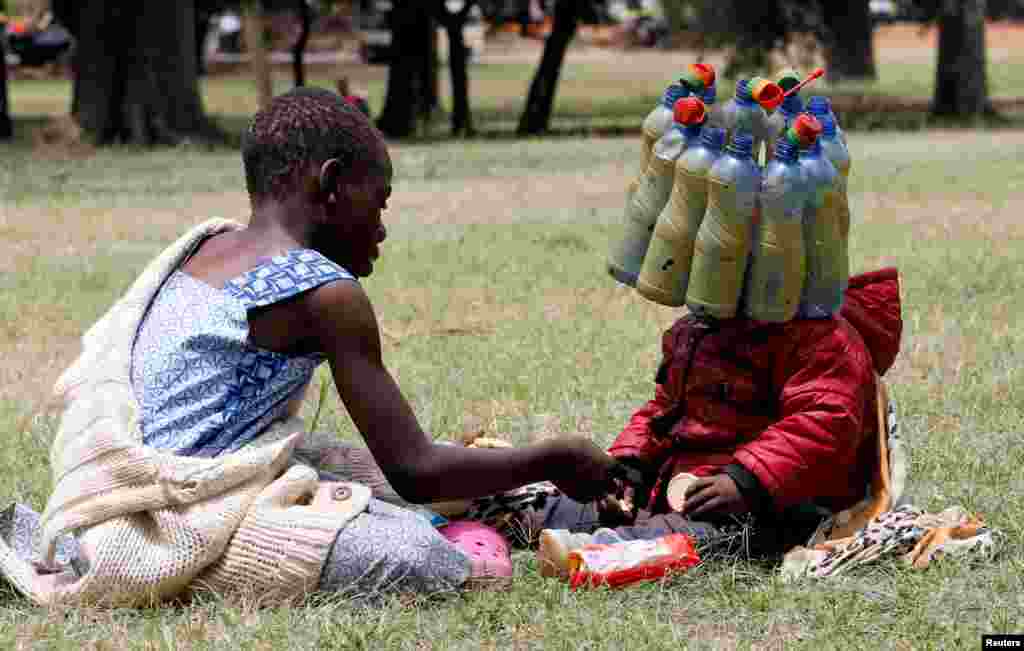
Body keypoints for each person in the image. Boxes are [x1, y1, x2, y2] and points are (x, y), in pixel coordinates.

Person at [0, 88, 618, 605]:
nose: (381, 228)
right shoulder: (324, 292)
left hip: (171, 475)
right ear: (330, 185)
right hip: (171, 513)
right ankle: (466, 528)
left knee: (350, 466)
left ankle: (498, 510)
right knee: (421, 557)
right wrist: (550, 458)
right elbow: (417, 468)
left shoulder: (207, 247)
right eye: (377, 204)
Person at [531, 273, 902, 572]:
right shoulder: (699, 330)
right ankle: (530, 517)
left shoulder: (822, 337)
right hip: (685, 487)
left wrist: (746, 480)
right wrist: (631, 465)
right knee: (595, 502)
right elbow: (666, 409)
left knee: (709, 539)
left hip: (773, 506)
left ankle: (598, 554)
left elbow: (825, 422)